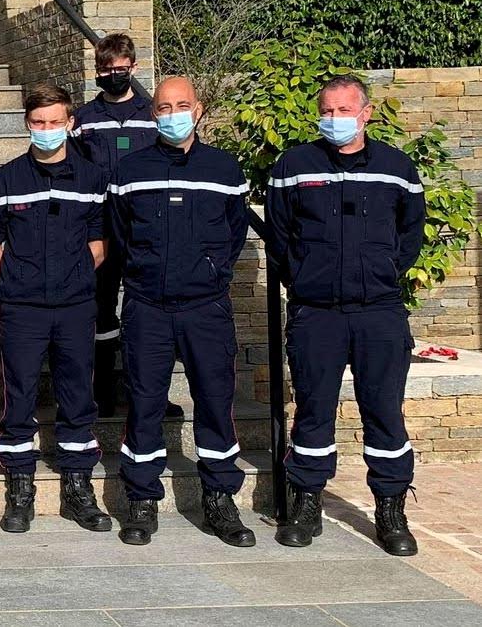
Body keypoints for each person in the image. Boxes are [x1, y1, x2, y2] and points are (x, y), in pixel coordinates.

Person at [267, 75, 424, 556]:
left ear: (366, 113)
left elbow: (410, 235)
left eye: (344, 110)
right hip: (317, 314)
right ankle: (307, 502)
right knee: (313, 411)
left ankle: (390, 508)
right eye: (327, 111)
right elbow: (279, 235)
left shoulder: (397, 168)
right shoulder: (294, 165)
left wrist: (380, 274)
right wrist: (307, 277)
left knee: (384, 412)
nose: (334, 120)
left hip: (379, 312)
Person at [108, 76, 254, 548]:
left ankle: (219, 496)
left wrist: (211, 270)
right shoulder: (130, 170)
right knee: (145, 402)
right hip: (147, 306)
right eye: (164, 106)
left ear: (199, 109)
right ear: (153, 113)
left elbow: (234, 234)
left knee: (215, 401)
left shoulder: (224, 168)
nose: (173, 113)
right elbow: (119, 234)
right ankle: (142, 497)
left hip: (205, 307)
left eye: (182, 105)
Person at [0, 84, 112, 534]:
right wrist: (19, 283)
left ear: (70, 123)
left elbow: (98, 242)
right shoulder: (4, 181)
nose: (48, 130)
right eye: (39, 123)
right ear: (27, 125)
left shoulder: (93, 179)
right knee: (20, 393)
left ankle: (78, 488)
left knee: (78, 394)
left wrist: (73, 277)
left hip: (75, 305)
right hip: (23, 308)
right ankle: (20, 489)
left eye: (56, 122)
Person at [71, 33, 158, 417]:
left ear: (134, 68)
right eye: (106, 70)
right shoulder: (85, 120)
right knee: (101, 311)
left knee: (148, 312)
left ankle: (151, 395)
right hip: (101, 231)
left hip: (147, 231)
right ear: (96, 72)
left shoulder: (155, 115)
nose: (114, 75)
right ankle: (102, 390)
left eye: (120, 69)